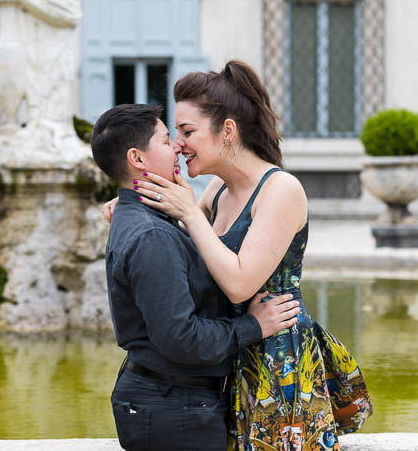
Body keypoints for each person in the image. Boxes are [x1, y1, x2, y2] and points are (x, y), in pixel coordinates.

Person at [115, 62, 373, 450]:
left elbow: (238, 285)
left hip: (279, 362)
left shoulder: (280, 189)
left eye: (187, 132)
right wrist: (132, 207)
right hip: (232, 352)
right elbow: (178, 248)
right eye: (175, 134)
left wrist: (187, 212)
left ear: (228, 131)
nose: (179, 144)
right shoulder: (218, 189)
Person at [91, 103, 301, 451]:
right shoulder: (151, 235)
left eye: (184, 134)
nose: (177, 146)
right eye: (166, 139)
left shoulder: (151, 216)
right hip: (174, 409)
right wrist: (255, 327)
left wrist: (132, 200)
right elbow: (182, 338)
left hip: (174, 402)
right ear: (137, 159)